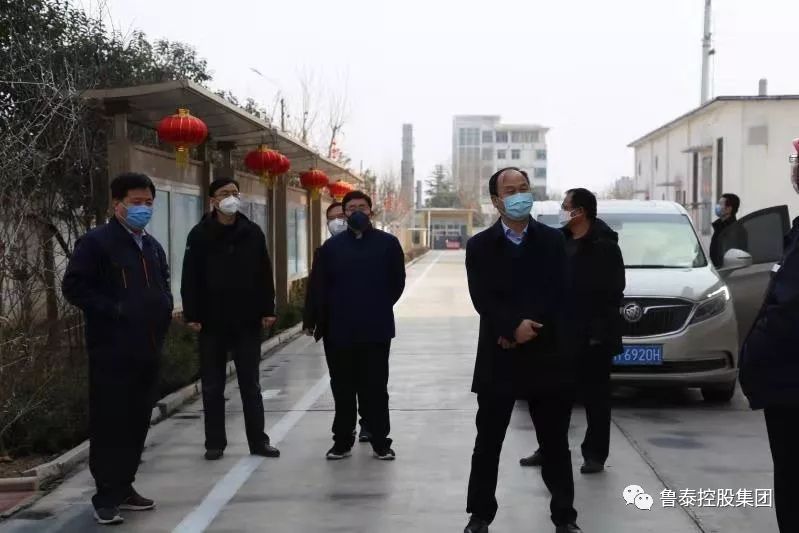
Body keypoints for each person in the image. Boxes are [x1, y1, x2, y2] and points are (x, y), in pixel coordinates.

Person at [464, 168, 582, 533]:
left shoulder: (552, 240)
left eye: (524, 188)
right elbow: (483, 297)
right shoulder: (480, 246)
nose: (519, 195)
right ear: (497, 201)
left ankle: (564, 517)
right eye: (510, 191)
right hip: (499, 356)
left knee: (555, 443)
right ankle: (480, 515)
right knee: (488, 443)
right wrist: (510, 328)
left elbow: (559, 291)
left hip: (546, 353)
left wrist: (528, 327)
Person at [62, 173, 173, 525]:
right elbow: (74, 287)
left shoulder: (151, 246)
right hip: (112, 351)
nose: (143, 209)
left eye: (148, 203)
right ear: (117, 204)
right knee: (111, 423)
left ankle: (125, 486)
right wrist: (115, 310)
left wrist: (165, 308)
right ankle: (106, 495)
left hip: (148, 348)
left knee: (137, 421)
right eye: (136, 202)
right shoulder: (97, 243)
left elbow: (162, 284)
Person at [520, 188, 625, 475]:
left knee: (596, 399)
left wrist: (597, 333)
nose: (563, 210)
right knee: (555, 398)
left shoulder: (604, 246)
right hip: (560, 334)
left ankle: (595, 455)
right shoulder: (559, 241)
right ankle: (549, 449)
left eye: (566, 206)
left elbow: (613, 293)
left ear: (580, 211)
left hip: (593, 337)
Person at [180, 178, 279, 461]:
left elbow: (264, 272)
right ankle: (214, 443)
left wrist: (268, 308)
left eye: (235, 193)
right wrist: (192, 313)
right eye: (225, 193)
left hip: (247, 320)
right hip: (211, 322)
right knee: (212, 386)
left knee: (251, 384)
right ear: (212, 200)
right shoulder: (199, 235)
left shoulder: (252, 232)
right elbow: (190, 277)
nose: (231, 198)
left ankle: (258, 442)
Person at [314, 190, 406, 461]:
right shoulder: (331, 248)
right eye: (351, 208)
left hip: (375, 328)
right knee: (342, 388)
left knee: (375, 388)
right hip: (338, 330)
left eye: (362, 207)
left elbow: (397, 282)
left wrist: (377, 305)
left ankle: (380, 442)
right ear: (344, 213)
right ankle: (342, 441)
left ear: (371, 211)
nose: (357, 212)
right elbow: (321, 287)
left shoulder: (388, 244)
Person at [738, 138, 799, 533]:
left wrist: (753, 357)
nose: (794, 169)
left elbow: (787, 312)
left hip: (791, 386)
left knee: (792, 482)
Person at [303, 202, 372, 443]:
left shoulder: (372, 246)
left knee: (367, 379)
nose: (337, 222)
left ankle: (368, 424)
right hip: (335, 326)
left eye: (341, 216)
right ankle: (344, 430)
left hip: (366, 324)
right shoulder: (326, 250)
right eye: (331, 218)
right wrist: (310, 319)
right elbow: (315, 287)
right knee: (341, 382)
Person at [709, 193, 748, 268]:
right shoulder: (719, 227)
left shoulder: (736, 230)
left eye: (720, 204)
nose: (717, 207)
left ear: (729, 209)